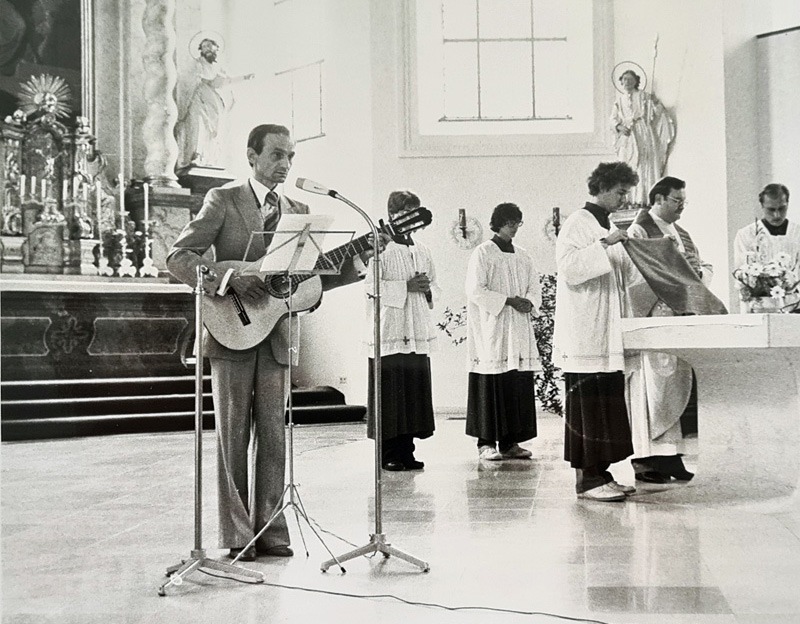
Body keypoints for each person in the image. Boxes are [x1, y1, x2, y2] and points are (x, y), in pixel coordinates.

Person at [166, 124, 367, 561]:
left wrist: (353, 265)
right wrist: (230, 276)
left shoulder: (300, 210)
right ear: (252, 156)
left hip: (275, 334)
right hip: (229, 330)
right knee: (232, 437)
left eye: (291, 156)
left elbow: (303, 283)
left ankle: (271, 532)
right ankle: (237, 534)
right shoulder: (223, 199)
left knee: (275, 437)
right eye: (277, 154)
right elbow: (178, 258)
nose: (285, 164)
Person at [553, 161, 641, 502]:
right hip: (585, 330)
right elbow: (569, 269)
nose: (623, 199)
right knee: (588, 404)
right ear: (602, 187)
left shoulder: (605, 223)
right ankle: (587, 480)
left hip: (606, 329)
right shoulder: (578, 222)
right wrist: (605, 244)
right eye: (619, 192)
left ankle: (602, 473)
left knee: (606, 401)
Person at [624, 176, 713, 483]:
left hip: (678, 316)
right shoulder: (639, 230)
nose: (682, 208)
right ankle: (646, 460)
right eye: (677, 201)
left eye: (683, 202)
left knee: (674, 387)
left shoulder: (681, 233)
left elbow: (702, 269)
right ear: (658, 199)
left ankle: (671, 456)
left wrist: (696, 268)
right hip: (655, 316)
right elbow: (636, 276)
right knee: (653, 388)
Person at [364, 190, 437, 471]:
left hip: (415, 327)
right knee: (391, 393)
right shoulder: (380, 248)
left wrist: (428, 289)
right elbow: (370, 287)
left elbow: (435, 284)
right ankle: (388, 453)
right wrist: (405, 287)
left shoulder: (421, 249)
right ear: (394, 215)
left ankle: (407, 451)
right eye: (407, 213)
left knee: (411, 392)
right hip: (389, 328)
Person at [465, 203, 541, 462]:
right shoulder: (483, 252)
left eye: (517, 221)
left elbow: (534, 287)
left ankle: (510, 442)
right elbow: (475, 289)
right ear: (497, 222)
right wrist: (509, 300)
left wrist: (529, 301)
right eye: (509, 221)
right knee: (491, 379)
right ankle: (485, 442)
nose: (514, 226)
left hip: (518, 325)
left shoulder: (523, 255)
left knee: (515, 381)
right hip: (493, 326)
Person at [174, 37, 255, 171]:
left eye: (210, 46)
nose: (208, 49)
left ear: (216, 49)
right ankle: (196, 155)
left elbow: (226, 81)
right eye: (205, 46)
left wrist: (244, 77)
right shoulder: (197, 64)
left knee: (212, 131)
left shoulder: (219, 67)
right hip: (199, 99)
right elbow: (190, 80)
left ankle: (209, 159)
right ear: (201, 50)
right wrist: (207, 81)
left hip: (214, 102)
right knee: (198, 126)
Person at [611, 69, 675, 207]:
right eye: (624, 79)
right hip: (628, 135)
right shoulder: (619, 101)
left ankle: (644, 199)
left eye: (630, 79)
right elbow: (613, 119)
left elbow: (657, 112)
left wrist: (655, 102)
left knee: (645, 163)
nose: (627, 82)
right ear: (621, 82)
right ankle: (629, 200)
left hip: (643, 132)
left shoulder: (644, 96)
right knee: (627, 165)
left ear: (636, 81)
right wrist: (619, 127)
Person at [733, 184, 797, 269]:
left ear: (787, 204)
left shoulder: (797, 233)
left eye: (781, 209)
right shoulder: (746, 235)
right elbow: (741, 272)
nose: (777, 215)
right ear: (762, 206)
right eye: (771, 209)